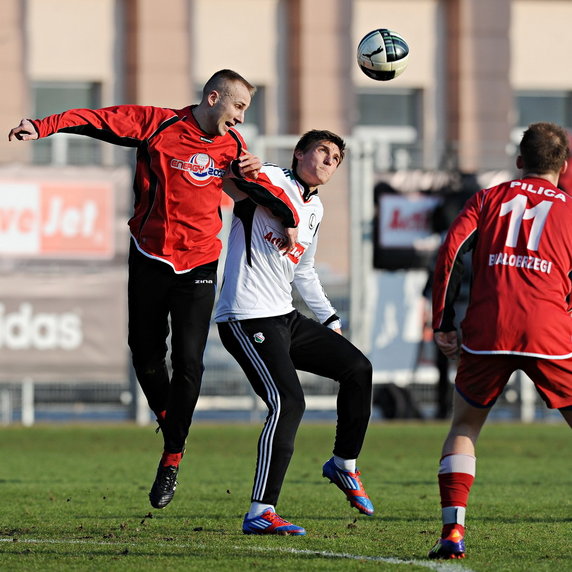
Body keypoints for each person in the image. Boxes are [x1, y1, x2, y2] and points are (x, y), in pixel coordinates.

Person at [8, 69, 265, 511]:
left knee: (189, 363)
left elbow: (250, 194)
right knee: (145, 354)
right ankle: (170, 424)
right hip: (149, 256)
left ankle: (172, 456)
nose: (241, 118)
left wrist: (255, 180)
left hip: (200, 263)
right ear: (213, 97)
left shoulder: (234, 148)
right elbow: (98, 118)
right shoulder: (158, 124)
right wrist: (43, 125)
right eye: (238, 107)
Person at [215, 130, 374, 535]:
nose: (328, 161)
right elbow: (236, 181)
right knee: (288, 403)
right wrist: (283, 214)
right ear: (300, 153)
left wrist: (331, 321)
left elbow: (303, 270)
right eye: (322, 151)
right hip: (246, 316)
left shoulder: (316, 209)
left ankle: (344, 465)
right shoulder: (270, 175)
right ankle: (260, 511)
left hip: (284, 316)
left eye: (336, 158)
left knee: (358, 368)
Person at [428, 122, 572, 559]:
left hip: (489, 329)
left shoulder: (489, 197)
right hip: (549, 330)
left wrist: (443, 320)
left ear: (519, 161)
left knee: (465, 426)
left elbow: (451, 252)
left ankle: (453, 532)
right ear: (564, 166)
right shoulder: (570, 208)